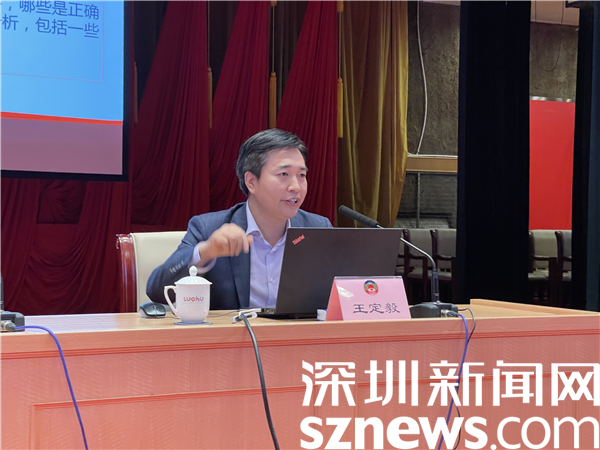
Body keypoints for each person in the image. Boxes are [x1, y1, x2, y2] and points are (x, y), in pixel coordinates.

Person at [146, 129, 332, 310]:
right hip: (236, 331)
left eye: (301, 175)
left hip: (297, 331)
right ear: (251, 181)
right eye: (284, 174)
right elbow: (157, 291)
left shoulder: (317, 229)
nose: (296, 187)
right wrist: (205, 252)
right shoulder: (208, 228)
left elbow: (340, 294)